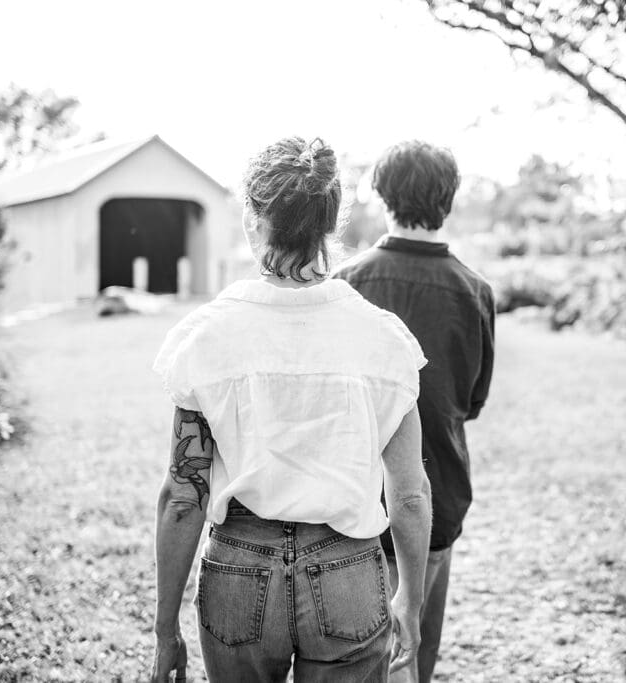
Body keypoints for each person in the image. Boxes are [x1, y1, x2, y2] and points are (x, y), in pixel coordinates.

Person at [149, 137, 432, 683]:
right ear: (332, 224)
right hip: (348, 572)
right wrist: (411, 603)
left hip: (238, 568)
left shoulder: (209, 335)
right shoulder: (382, 339)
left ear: (254, 220)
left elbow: (184, 495)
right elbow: (412, 493)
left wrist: (166, 631)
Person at [335, 140, 495, 683]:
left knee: (353, 660)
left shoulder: (347, 285)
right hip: (437, 491)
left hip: (352, 498)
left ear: (382, 196)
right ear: (447, 199)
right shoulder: (475, 291)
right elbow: (472, 400)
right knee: (414, 652)